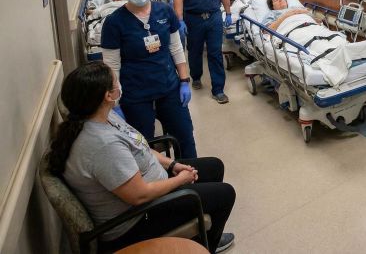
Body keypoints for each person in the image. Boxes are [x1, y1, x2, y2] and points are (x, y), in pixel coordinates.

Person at [46, 62, 235, 253]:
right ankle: (207, 245)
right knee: (225, 194)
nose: (119, 83)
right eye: (115, 81)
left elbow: (139, 147)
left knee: (214, 166)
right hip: (136, 220)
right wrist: (179, 180)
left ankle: (200, 234)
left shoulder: (102, 116)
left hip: (147, 184)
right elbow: (140, 195)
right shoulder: (103, 145)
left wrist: (173, 165)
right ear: (108, 95)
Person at [100, 0, 198, 158]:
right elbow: (112, 66)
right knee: (142, 146)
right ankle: (157, 184)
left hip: (169, 87)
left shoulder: (164, 11)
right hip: (135, 94)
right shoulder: (114, 22)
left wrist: (184, 81)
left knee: (184, 136)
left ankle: (191, 178)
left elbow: (176, 48)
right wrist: (115, 102)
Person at [173, 0, 232, 104]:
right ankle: (196, 76)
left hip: (213, 17)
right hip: (193, 18)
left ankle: (218, 89)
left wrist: (228, 13)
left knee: (215, 53)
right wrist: (180, 20)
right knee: (194, 50)